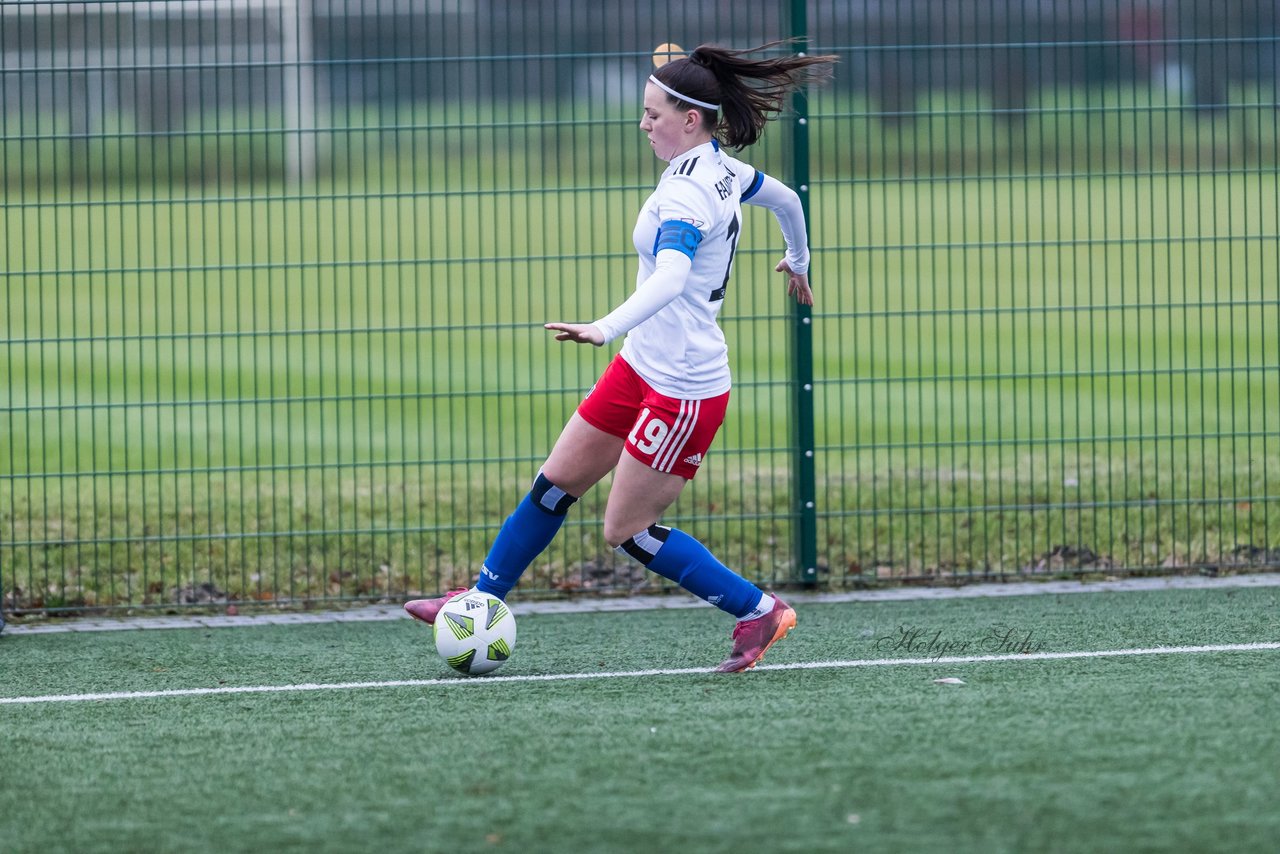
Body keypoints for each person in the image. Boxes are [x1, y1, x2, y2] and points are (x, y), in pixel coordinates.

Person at [406, 41, 836, 672]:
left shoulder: (688, 193)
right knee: (554, 485)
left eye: (653, 114)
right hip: (643, 365)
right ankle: (479, 600)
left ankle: (758, 610)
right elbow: (788, 201)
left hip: (684, 386)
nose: (643, 125)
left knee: (625, 531)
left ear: (691, 120)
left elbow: (668, 277)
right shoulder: (721, 167)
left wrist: (602, 327)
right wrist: (796, 260)